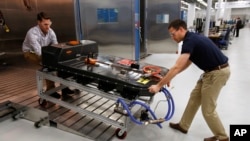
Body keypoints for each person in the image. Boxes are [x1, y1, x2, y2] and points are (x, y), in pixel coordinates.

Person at [148, 19, 230, 141]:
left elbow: (176, 67)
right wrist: (170, 76)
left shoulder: (189, 41)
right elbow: (187, 62)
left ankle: (223, 137)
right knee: (194, 99)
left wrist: (159, 85)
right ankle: (183, 126)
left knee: (208, 109)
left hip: (216, 73)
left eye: (173, 34)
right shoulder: (192, 38)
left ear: (181, 29)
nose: (172, 37)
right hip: (210, 72)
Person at [22, 12, 74, 99]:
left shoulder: (50, 31)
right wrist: (52, 60)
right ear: (38, 22)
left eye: (49, 24)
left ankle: (64, 87)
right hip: (30, 52)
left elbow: (56, 46)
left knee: (61, 62)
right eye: (45, 24)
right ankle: (50, 91)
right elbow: (38, 52)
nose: (48, 27)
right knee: (48, 64)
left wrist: (60, 57)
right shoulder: (32, 33)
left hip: (44, 50)